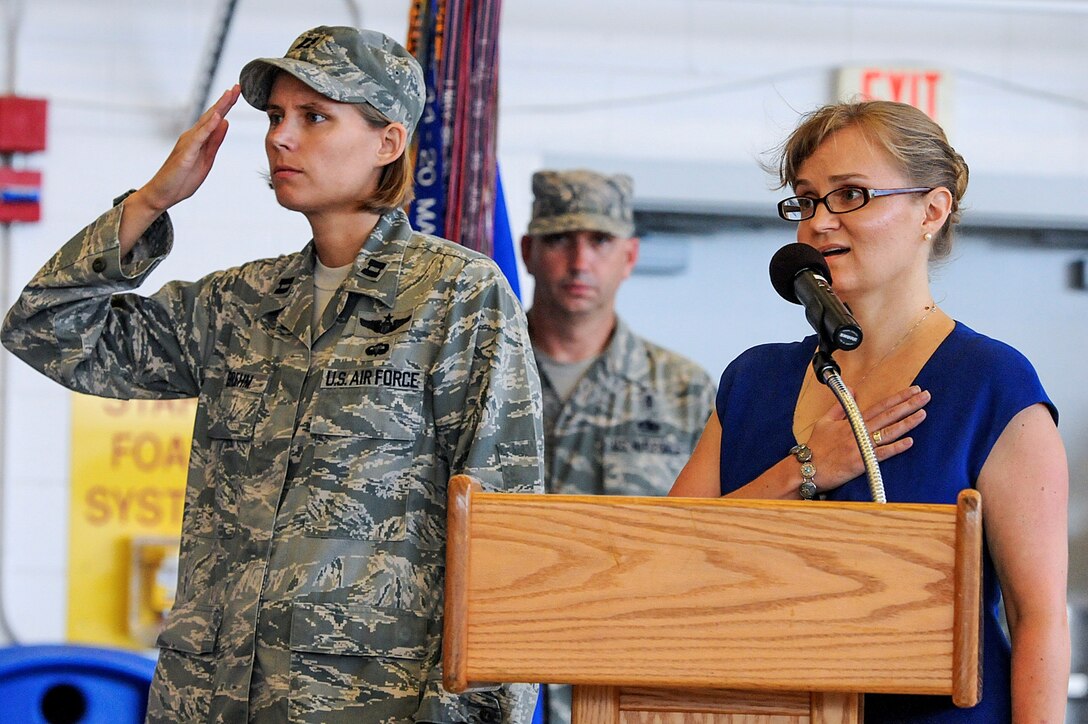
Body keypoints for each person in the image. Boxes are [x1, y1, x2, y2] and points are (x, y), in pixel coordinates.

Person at [2, 26, 544, 724]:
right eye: (275, 117)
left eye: (315, 117)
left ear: (389, 142)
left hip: (367, 703)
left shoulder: (456, 295)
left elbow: (505, 523)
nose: (280, 138)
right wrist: (151, 201)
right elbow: (44, 330)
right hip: (212, 697)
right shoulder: (240, 303)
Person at [670, 100, 1069, 722]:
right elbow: (661, 559)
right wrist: (803, 471)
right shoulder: (754, 379)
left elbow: (1037, 614)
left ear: (931, 211)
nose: (819, 223)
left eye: (850, 195)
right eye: (805, 200)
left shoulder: (992, 383)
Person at [520, 169, 716, 724]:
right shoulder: (482, 377)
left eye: (600, 242)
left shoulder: (684, 392)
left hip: (629, 681)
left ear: (629, 256)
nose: (580, 263)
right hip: (494, 681)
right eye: (561, 240)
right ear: (529, 251)